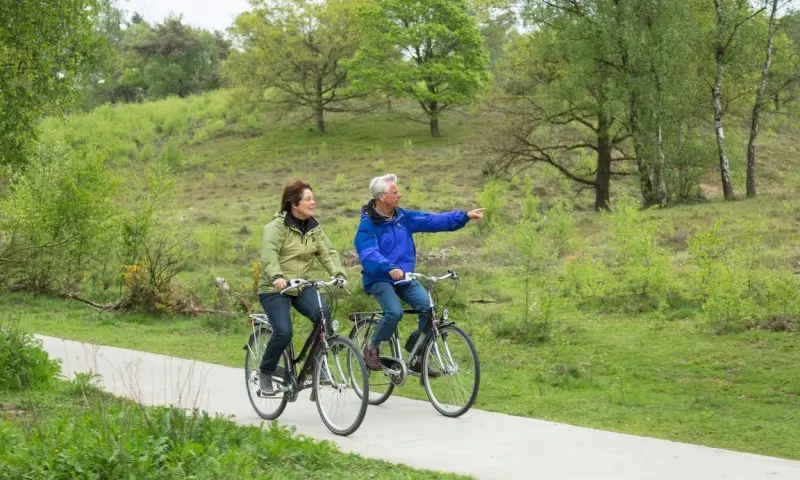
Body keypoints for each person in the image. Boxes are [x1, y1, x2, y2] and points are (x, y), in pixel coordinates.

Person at [353, 174, 484, 372]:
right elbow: (369, 253)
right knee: (394, 312)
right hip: (380, 277)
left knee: (428, 307)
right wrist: (389, 268)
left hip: (404, 277)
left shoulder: (403, 217)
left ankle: (417, 355)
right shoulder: (368, 225)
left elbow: (433, 220)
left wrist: (464, 216)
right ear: (381, 197)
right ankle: (371, 347)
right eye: (395, 192)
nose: (399, 195)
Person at [257, 180, 347, 395]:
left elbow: (328, 253)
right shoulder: (276, 227)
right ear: (293, 203)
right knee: (283, 332)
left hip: (301, 286)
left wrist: (339, 275)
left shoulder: (314, 229)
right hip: (275, 288)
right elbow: (269, 255)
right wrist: (277, 277)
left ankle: (317, 367)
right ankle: (265, 371)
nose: (312, 202)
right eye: (307, 199)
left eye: (312, 198)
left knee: (323, 316)